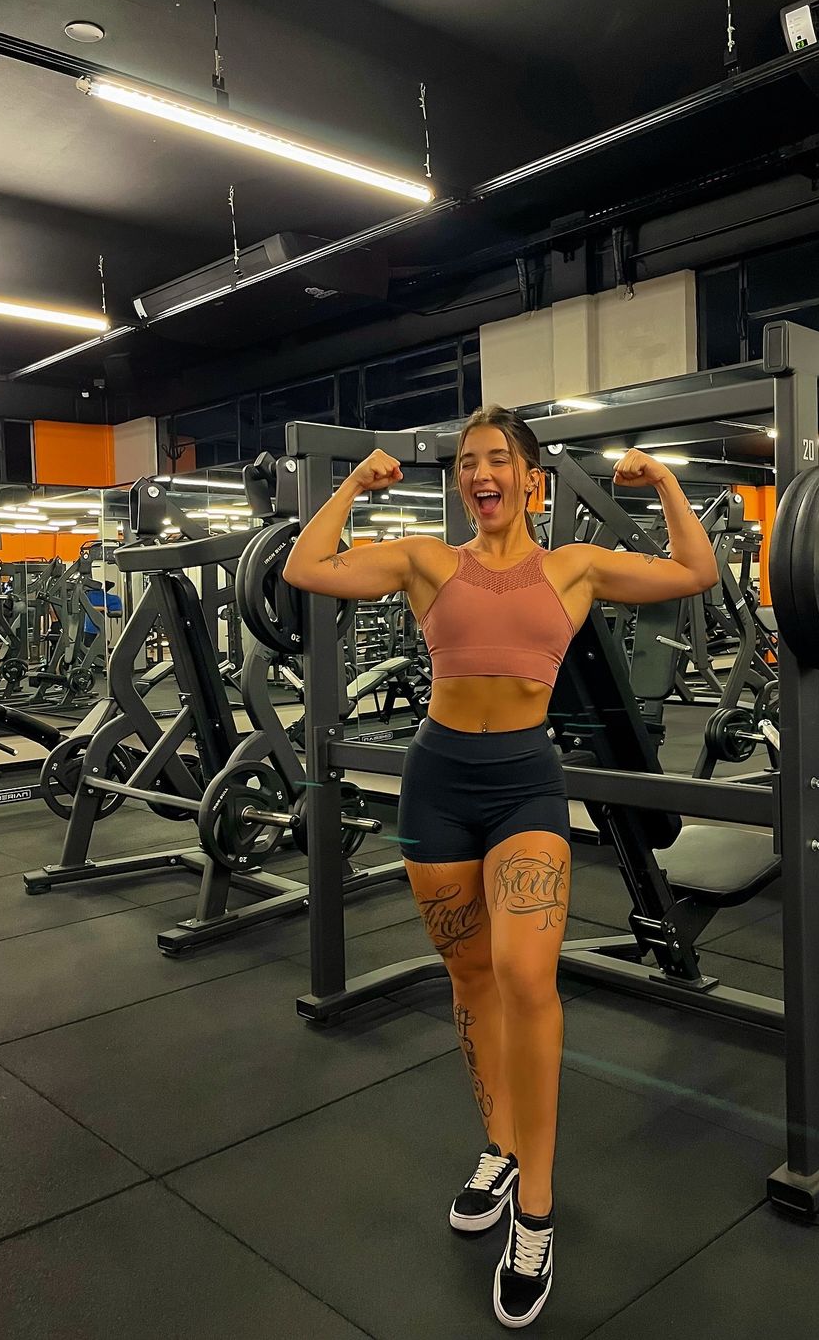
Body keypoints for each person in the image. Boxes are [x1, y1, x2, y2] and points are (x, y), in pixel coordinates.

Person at [284, 404, 718, 1328]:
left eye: (495, 460)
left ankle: (537, 1207)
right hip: (436, 784)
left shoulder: (576, 567)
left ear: (531, 480)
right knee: (472, 975)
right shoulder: (426, 562)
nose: (478, 474)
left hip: (525, 783)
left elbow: (695, 570)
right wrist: (354, 483)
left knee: (527, 976)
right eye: (465, 463)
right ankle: (501, 1147)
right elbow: (305, 566)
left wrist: (666, 482)